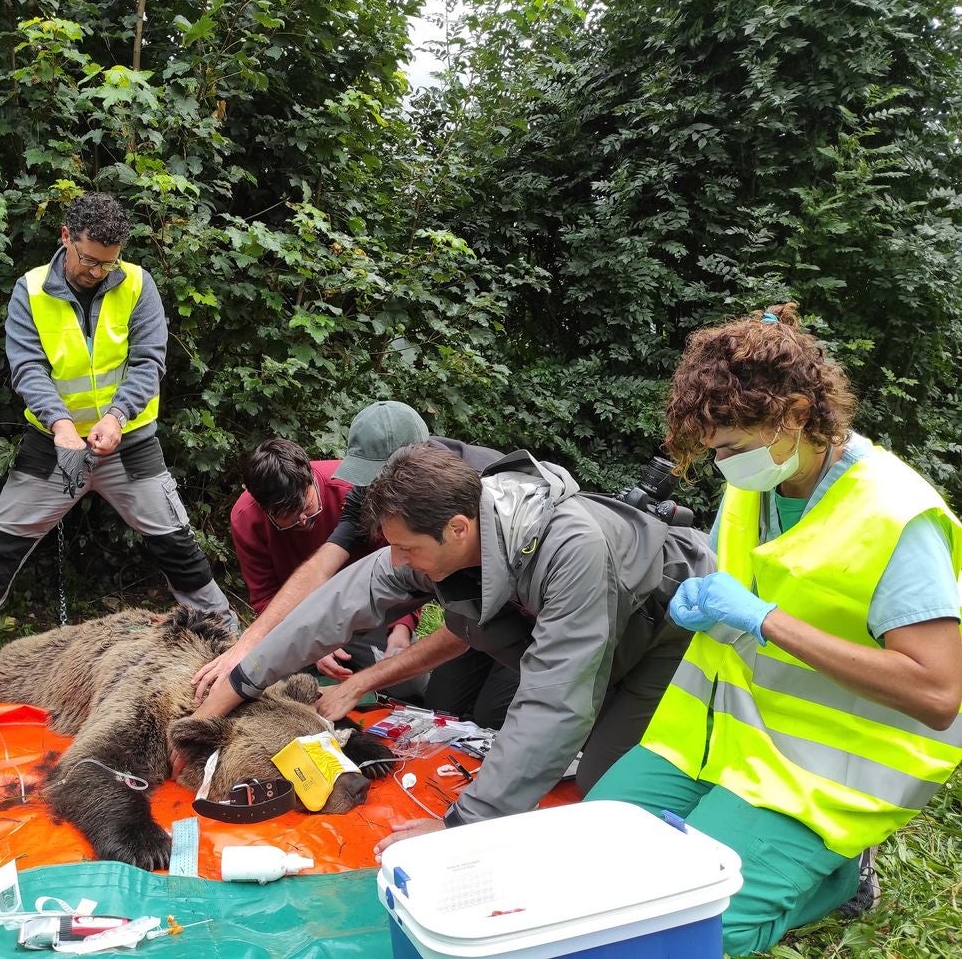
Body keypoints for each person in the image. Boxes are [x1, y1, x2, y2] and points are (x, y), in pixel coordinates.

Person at [586, 304, 962, 957]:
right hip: (712, 743)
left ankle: (842, 877)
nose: (724, 466)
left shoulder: (896, 516)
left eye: (730, 449)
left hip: (820, 776)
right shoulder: (759, 483)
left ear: (792, 414)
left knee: (688, 933)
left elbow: (938, 694)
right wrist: (703, 605)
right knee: (588, 867)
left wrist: (763, 620)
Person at [179, 444, 716, 847]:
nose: (398, 562)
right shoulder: (441, 536)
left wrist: (460, 826)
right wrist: (239, 683)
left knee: (604, 783)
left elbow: (555, 701)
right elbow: (336, 604)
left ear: (458, 529)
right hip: (602, 636)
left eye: (407, 549)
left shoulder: (571, 549)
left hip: (665, 634)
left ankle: (713, 816)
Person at [0, 192, 233, 686]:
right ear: (66, 238)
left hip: (131, 445)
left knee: (177, 545)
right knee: (0, 544)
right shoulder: (30, 289)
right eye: (89, 260)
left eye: (108, 263)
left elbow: (148, 362)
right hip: (52, 448)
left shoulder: (139, 284)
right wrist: (60, 426)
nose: (97, 271)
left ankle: (233, 645)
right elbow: (27, 367)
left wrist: (117, 417)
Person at [194, 400, 517, 726]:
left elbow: (466, 626)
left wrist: (371, 670)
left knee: (495, 715)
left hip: (523, 618)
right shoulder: (375, 488)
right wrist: (248, 647)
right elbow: (325, 565)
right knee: (443, 708)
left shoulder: (474, 496)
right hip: (466, 612)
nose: (396, 559)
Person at [231, 437, 425, 699]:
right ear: (263, 509)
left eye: (306, 507)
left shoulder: (354, 487)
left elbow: (402, 563)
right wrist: (316, 644)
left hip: (365, 617)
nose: (302, 520)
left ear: (310, 477)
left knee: (411, 685)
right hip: (297, 624)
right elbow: (265, 597)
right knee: (263, 688)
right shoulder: (246, 519)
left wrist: (401, 631)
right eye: (287, 516)